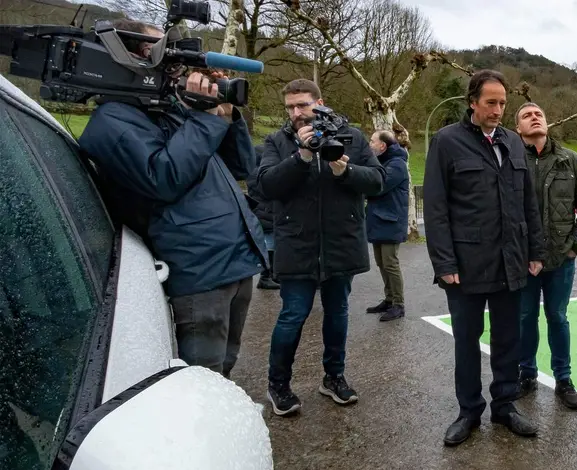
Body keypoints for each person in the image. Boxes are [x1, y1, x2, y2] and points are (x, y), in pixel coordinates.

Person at [79, 19, 268, 378]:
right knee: (200, 382)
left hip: (236, 261)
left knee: (224, 370)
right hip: (198, 273)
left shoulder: (171, 109)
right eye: (162, 52)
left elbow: (242, 166)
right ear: (129, 59)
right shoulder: (112, 121)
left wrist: (224, 112)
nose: (176, 64)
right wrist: (201, 119)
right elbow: (164, 178)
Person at [424, 69, 544, 446]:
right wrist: (444, 263)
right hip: (466, 264)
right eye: (490, 102)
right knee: (466, 341)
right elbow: (436, 207)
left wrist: (535, 251)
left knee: (509, 338)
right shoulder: (446, 141)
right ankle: (469, 410)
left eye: (503, 103)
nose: (498, 110)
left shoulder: (513, 141)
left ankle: (505, 406)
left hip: (511, 260)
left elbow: (529, 203)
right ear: (472, 102)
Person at [256, 79, 385, 416]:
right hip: (297, 244)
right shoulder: (277, 140)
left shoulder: (352, 137)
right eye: (290, 107)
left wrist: (346, 170)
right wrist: (300, 156)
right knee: (292, 316)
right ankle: (279, 385)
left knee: (338, 314)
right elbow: (267, 185)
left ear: (319, 102)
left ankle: (334, 377)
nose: (296, 113)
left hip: (341, 243)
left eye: (302, 105)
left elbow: (377, 180)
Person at [515, 102, 577, 410]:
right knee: (525, 318)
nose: (534, 117)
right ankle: (526, 374)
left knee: (557, 318)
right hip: (523, 259)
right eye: (526, 115)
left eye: (539, 114)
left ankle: (564, 379)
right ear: (518, 127)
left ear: (546, 123)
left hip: (561, 258)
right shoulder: (510, 159)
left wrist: (575, 246)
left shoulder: (569, 160)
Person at [365, 130, 410, 322]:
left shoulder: (397, 164)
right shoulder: (384, 163)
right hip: (379, 220)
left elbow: (378, 186)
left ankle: (399, 305)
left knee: (390, 263)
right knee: (381, 262)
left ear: (383, 146)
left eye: (372, 141)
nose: (369, 144)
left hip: (391, 221)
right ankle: (389, 299)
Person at [249, 143, 280, 291]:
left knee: (270, 243)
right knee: (269, 244)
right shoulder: (260, 176)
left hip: (263, 212)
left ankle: (270, 275)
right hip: (266, 213)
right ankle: (266, 277)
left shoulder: (252, 173)